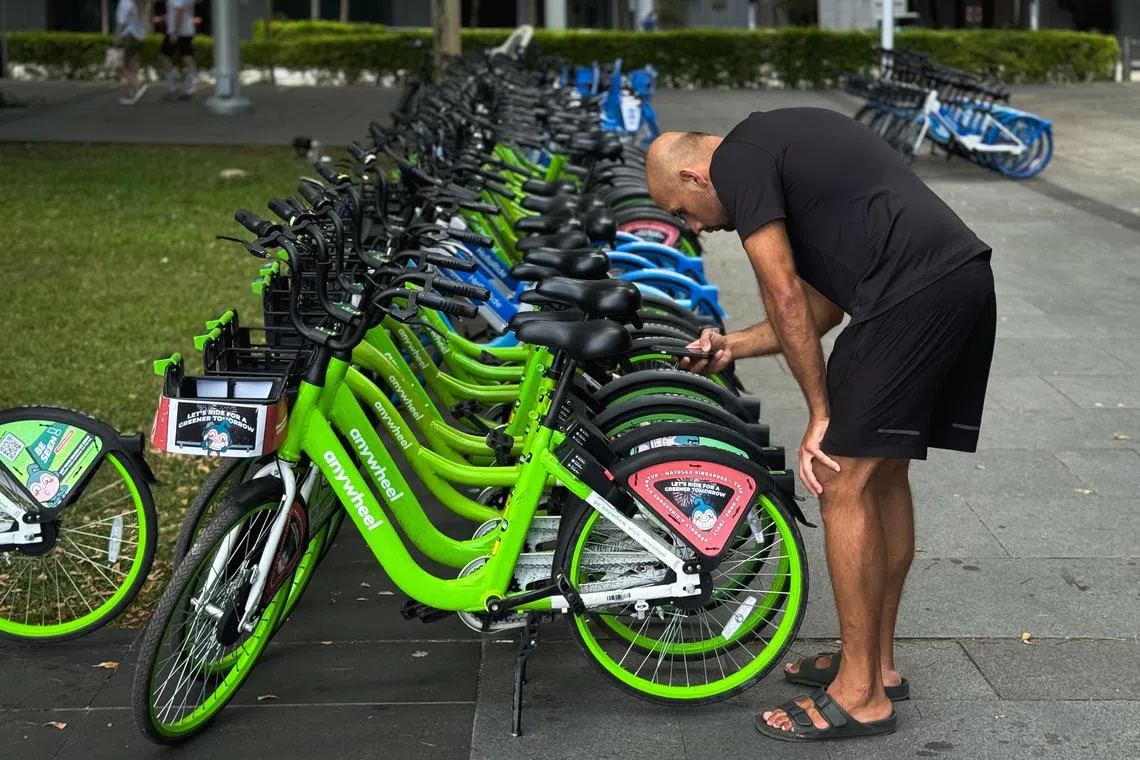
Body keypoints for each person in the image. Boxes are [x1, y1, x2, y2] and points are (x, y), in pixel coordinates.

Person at [644, 110, 996, 743]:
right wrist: (732, 345)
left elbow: (782, 294)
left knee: (840, 481)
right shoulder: (774, 146)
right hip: (955, 281)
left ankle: (859, 696)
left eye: (683, 212)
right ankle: (875, 667)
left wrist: (820, 413)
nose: (693, 227)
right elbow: (820, 304)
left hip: (911, 298)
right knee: (880, 478)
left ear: (698, 176)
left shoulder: (740, 165)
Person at [158, 0, 198, 101]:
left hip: (179, 31)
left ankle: (174, 87)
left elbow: (178, 12)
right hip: (185, 30)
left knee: (164, 55)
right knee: (187, 57)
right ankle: (189, 89)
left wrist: (174, 32)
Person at [114, 0, 148, 105]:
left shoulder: (124, 3)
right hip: (139, 36)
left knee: (121, 65)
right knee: (132, 65)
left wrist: (116, 36)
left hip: (128, 36)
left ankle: (137, 86)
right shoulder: (138, 3)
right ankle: (132, 92)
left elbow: (121, 23)